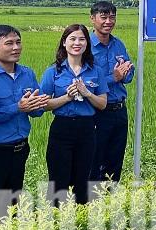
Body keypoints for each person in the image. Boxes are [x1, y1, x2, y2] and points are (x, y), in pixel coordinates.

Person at [0, 25, 49, 229]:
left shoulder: (27, 73)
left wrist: (38, 105)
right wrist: (18, 107)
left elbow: (36, 112)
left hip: (19, 150)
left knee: (10, 206)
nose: (16, 48)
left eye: (18, 42)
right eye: (9, 43)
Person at [39, 24, 107, 205]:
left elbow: (102, 103)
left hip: (86, 129)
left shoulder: (95, 71)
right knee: (58, 180)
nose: (77, 43)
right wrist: (67, 97)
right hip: (62, 128)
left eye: (82, 39)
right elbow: (44, 104)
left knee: (83, 179)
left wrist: (87, 93)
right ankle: (56, 223)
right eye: (72, 39)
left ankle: (79, 224)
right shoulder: (53, 71)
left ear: (87, 44)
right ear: (64, 43)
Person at [88, 0, 135, 183]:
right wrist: (113, 77)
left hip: (119, 110)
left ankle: (111, 201)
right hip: (98, 112)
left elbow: (129, 74)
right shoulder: (85, 47)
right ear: (93, 19)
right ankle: (92, 204)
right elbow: (86, 83)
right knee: (95, 160)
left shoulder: (118, 44)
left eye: (112, 17)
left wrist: (124, 74)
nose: (108, 21)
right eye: (104, 17)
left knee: (115, 160)